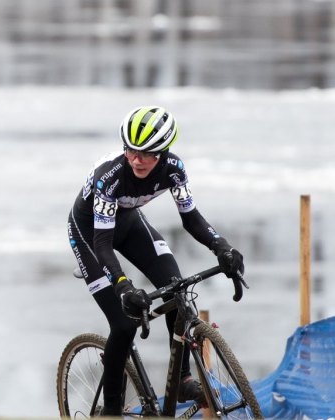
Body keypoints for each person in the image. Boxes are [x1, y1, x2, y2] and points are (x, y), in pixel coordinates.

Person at [67, 106, 245, 416]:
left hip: (129, 223)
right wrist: (123, 286)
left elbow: (190, 218)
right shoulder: (109, 177)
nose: (136, 159)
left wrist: (221, 246)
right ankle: (110, 411)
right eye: (131, 150)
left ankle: (183, 378)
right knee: (124, 323)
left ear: (162, 153)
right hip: (90, 234)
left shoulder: (174, 169)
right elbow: (103, 242)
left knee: (176, 290)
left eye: (146, 153)